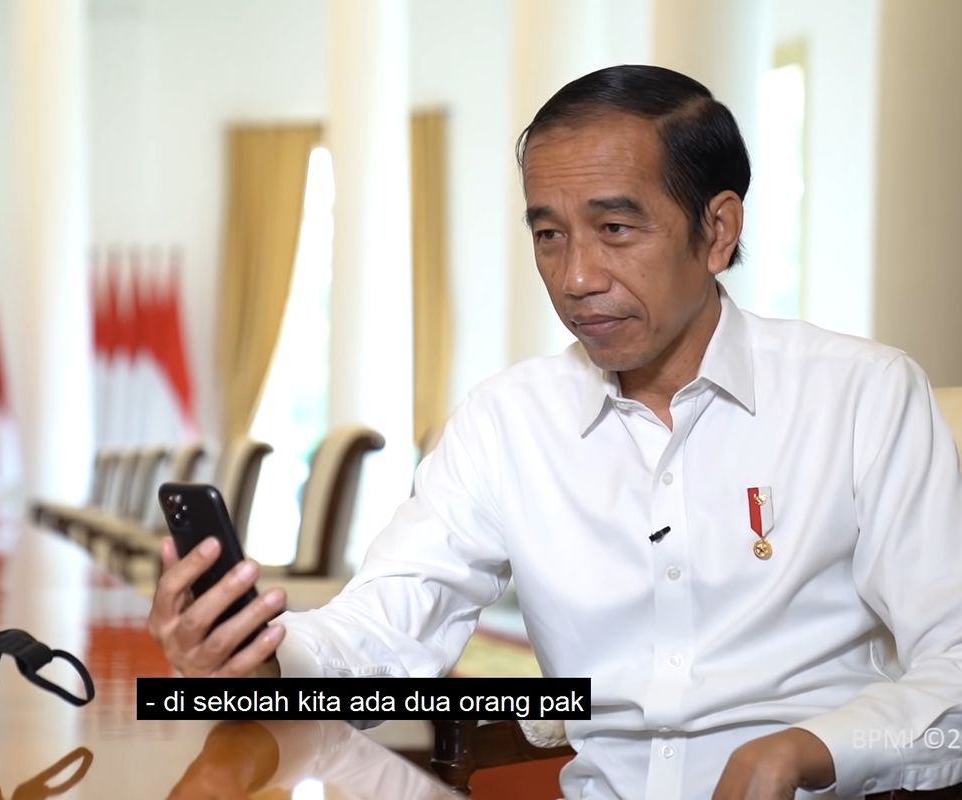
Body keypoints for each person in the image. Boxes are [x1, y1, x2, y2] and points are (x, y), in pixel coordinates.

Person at [148, 65, 962, 799]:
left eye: (615, 229)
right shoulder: (508, 421)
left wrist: (807, 750)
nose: (575, 278)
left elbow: (954, 681)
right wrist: (255, 659)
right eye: (549, 234)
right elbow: (385, 629)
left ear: (717, 231)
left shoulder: (862, 395)